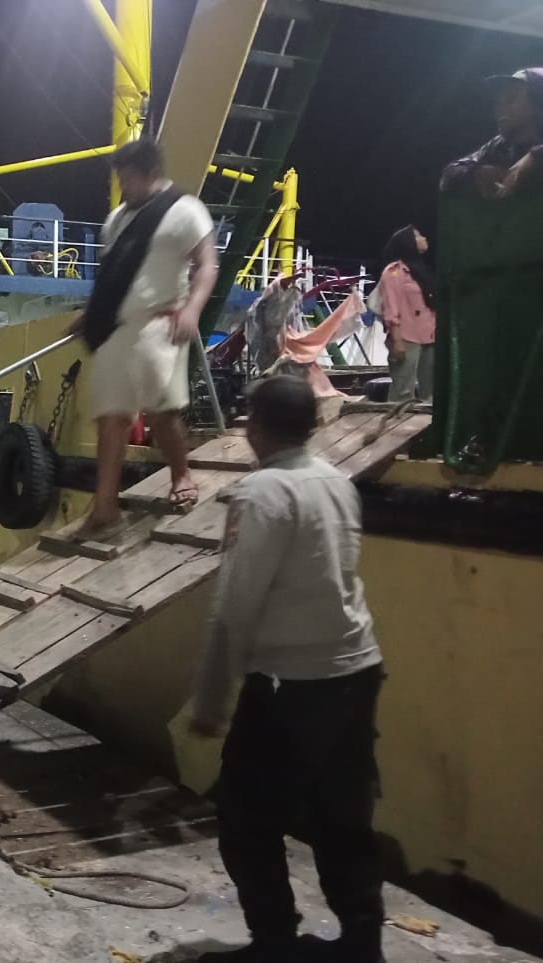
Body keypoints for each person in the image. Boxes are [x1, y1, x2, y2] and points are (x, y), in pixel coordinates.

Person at [189, 376, 385, 963]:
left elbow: (235, 604)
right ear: (313, 426)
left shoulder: (261, 493)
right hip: (356, 669)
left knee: (247, 817)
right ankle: (362, 943)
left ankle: (274, 942)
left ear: (255, 426)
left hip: (289, 685)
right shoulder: (336, 482)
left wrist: (210, 698)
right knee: (343, 814)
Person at [69, 139, 219, 538]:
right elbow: (114, 276)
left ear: (152, 173)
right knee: (111, 418)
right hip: (116, 330)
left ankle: (181, 475)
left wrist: (192, 309)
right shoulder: (116, 220)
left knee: (162, 412)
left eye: (129, 178)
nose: (124, 186)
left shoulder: (185, 210)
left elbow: (207, 265)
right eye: (120, 178)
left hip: (160, 323)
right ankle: (105, 505)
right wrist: (90, 316)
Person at [442, 67, 543, 198]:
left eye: (511, 97)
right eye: (498, 100)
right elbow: (449, 173)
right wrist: (475, 172)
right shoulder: (498, 145)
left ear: (538, 103)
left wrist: (535, 156)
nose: (499, 106)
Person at [376, 226, 437, 402]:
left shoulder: (422, 271)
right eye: (418, 236)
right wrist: (397, 341)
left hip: (430, 336)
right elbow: (391, 308)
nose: (424, 238)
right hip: (406, 338)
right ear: (408, 242)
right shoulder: (394, 272)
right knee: (402, 391)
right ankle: (399, 419)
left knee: (431, 392)